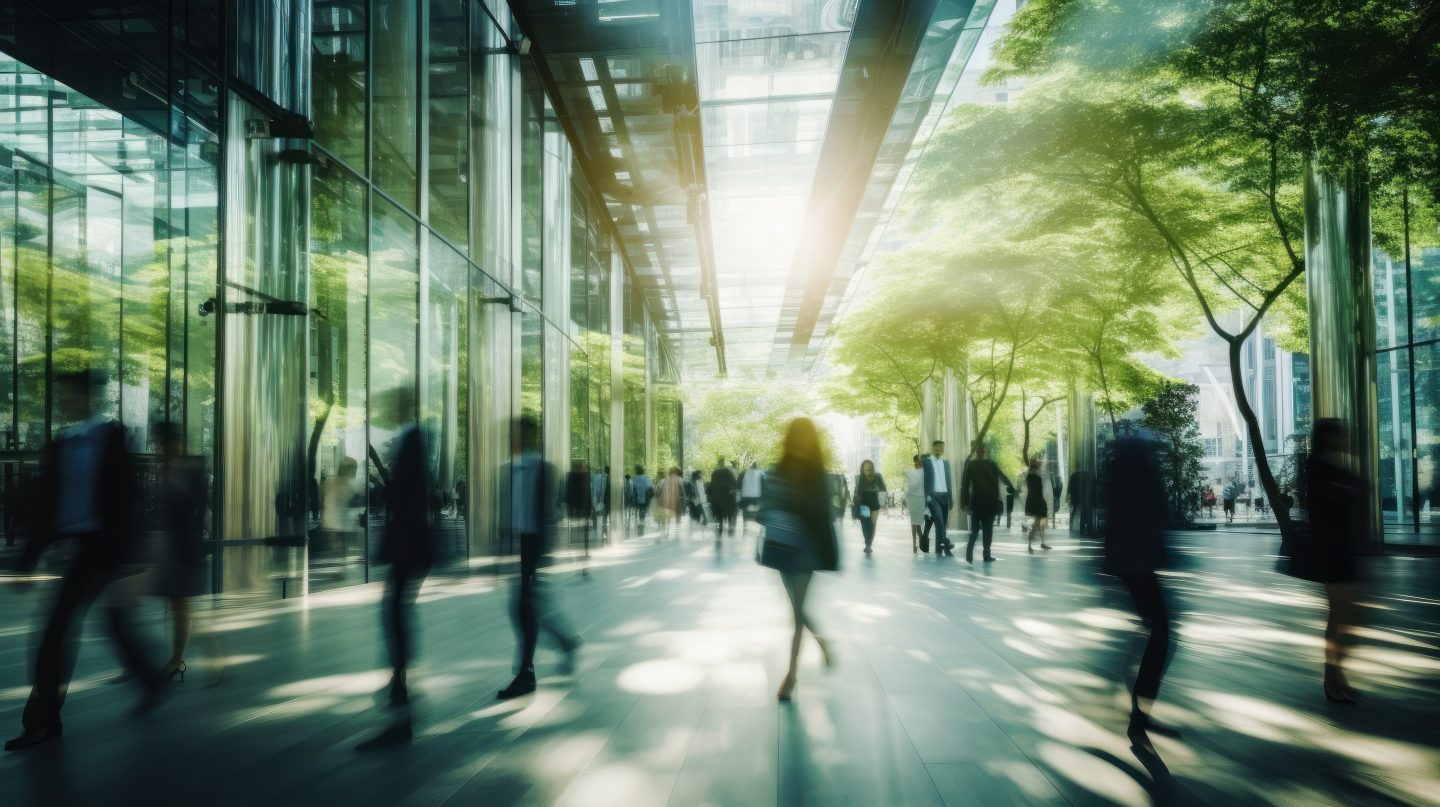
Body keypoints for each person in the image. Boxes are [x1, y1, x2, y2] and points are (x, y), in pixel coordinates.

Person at [6, 371, 162, 751]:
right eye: (63, 396)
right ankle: (149, 678)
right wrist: (28, 560)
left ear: (91, 398)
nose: (66, 401)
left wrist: (130, 554)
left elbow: (126, 499)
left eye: (72, 395)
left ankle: (42, 721)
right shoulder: (63, 442)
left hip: (102, 546)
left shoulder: (112, 438)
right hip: (74, 545)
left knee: (57, 629)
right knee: (110, 621)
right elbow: (46, 504)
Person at [358, 401, 435, 749]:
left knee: (394, 614)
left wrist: (387, 487)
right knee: (395, 613)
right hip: (409, 543)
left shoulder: (413, 439)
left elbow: (409, 494)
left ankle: (400, 697)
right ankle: (398, 688)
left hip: (409, 543)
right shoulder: (415, 439)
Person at [1102, 431, 1176, 752]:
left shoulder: (1118, 476)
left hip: (1127, 562)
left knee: (1153, 630)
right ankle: (1139, 710)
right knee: (1160, 633)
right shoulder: (1142, 476)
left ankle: (1138, 704)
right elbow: (1155, 515)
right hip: (1140, 563)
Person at [499, 416, 581, 700]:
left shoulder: (545, 469)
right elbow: (508, 510)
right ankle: (564, 643)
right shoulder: (507, 469)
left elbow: (549, 511)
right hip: (518, 544)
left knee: (523, 609)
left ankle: (526, 673)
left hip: (534, 546)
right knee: (526, 608)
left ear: (533, 436)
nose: (515, 438)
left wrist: (543, 552)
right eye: (513, 434)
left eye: (521, 433)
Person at [756, 418, 837, 700]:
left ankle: (791, 675)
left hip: (806, 548)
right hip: (783, 546)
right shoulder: (781, 468)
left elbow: (824, 515)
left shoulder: (817, 473)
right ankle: (822, 642)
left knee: (797, 612)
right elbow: (766, 505)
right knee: (797, 609)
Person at [1307, 419, 1366, 704]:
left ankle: (1337, 676)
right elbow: (1321, 505)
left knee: (1343, 615)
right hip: (1331, 549)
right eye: (1340, 434)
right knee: (1340, 614)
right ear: (1328, 438)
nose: (1345, 439)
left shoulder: (1336, 464)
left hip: (1342, 547)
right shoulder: (1319, 466)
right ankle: (1332, 679)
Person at [151, 422, 209, 686]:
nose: (162, 448)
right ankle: (182, 657)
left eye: (165, 442)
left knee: (180, 605)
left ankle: (178, 659)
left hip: (185, 547)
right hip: (170, 545)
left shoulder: (192, 468)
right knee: (177, 605)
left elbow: (200, 508)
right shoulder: (167, 468)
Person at [960, 442, 1012, 564]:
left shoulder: (972, 464)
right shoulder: (990, 464)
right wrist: (1012, 488)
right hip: (988, 501)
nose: (982, 451)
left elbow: (966, 484)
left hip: (979, 502)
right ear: (984, 450)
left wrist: (965, 503)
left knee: (977, 529)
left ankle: (971, 552)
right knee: (986, 529)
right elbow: (1002, 476)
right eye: (982, 449)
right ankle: (985, 554)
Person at [921, 440, 954, 556]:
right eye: (936, 447)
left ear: (943, 449)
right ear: (932, 448)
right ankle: (946, 545)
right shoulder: (927, 462)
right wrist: (926, 498)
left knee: (943, 523)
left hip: (945, 495)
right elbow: (923, 480)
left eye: (941, 447)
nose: (939, 449)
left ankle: (937, 548)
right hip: (933, 496)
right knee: (939, 522)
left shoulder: (946, 463)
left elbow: (948, 481)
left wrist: (951, 498)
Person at [852, 460, 886, 555]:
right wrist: (854, 503)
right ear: (862, 469)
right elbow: (856, 491)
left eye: (868, 469)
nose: (866, 471)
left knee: (873, 523)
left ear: (872, 469)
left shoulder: (877, 476)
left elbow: (883, 489)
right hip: (863, 503)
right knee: (864, 523)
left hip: (874, 502)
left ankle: (869, 544)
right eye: (865, 469)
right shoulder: (859, 478)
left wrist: (883, 503)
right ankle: (867, 543)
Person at [1024, 458, 1052, 553]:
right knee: (1037, 523)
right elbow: (1038, 491)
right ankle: (1031, 544)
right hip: (1038, 502)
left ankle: (1041, 542)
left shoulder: (1031, 476)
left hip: (1035, 501)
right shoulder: (1035, 476)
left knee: (1040, 523)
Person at [707, 459, 739, 539]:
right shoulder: (729, 473)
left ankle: (720, 526)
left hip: (717, 497)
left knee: (719, 513)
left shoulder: (715, 473)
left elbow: (711, 486)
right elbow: (734, 484)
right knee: (729, 512)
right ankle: (729, 527)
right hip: (728, 497)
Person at [903, 455, 927, 553]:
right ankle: (918, 542)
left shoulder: (921, 472)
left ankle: (918, 542)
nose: (917, 464)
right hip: (916, 498)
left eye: (919, 462)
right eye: (917, 462)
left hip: (918, 498)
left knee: (916, 522)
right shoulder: (918, 472)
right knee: (915, 522)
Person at [655, 466, 685, 535]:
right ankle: (677, 533)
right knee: (677, 516)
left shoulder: (662, 481)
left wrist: (658, 500)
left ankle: (665, 530)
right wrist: (683, 502)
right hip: (676, 501)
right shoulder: (679, 480)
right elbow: (683, 493)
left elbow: (658, 492)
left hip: (664, 501)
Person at [739, 462, 766, 534]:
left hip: (745, 495)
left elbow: (739, 483)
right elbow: (763, 485)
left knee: (745, 511)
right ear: (756, 467)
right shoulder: (761, 474)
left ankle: (745, 525)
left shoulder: (744, 473)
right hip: (756, 496)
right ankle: (752, 525)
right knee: (754, 511)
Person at [630, 466, 654, 532]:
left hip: (637, 497)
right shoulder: (646, 478)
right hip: (645, 496)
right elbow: (649, 487)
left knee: (640, 509)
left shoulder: (635, 478)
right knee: (643, 509)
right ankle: (642, 520)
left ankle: (640, 520)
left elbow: (633, 488)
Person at [591, 465, 609, 533]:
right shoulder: (604, 478)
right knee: (604, 511)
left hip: (595, 496)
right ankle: (604, 525)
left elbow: (592, 488)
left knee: (594, 510)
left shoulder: (594, 478)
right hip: (602, 497)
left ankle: (594, 525)